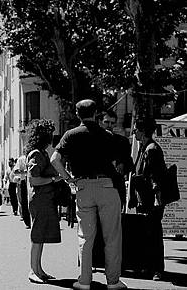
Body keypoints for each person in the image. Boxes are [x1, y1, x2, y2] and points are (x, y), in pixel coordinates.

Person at [50, 99, 126, 290]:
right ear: (96, 113)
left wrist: (68, 178)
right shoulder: (107, 135)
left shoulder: (70, 135)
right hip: (107, 187)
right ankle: (113, 281)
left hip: (83, 186)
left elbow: (55, 159)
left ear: (77, 114)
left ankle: (84, 280)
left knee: (85, 236)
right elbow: (119, 164)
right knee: (112, 237)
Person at [128, 117, 166, 281]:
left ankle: (157, 269)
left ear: (143, 130)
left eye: (136, 129)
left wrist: (157, 199)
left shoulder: (151, 149)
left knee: (154, 234)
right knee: (147, 233)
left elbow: (155, 176)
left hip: (151, 200)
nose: (134, 131)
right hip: (145, 198)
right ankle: (149, 267)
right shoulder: (145, 147)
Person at [25, 119, 62, 283]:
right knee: (37, 235)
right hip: (39, 198)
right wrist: (55, 180)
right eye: (50, 134)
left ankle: (39, 270)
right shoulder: (36, 154)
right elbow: (34, 180)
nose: (52, 136)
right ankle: (33, 270)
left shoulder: (41, 152)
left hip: (43, 199)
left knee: (40, 235)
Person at [99, 110, 133, 207]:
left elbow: (129, 164)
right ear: (100, 122)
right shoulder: (93, 141)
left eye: (112, 123)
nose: (109, 125)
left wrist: (122, 164)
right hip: (98, 185)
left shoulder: (122, 141)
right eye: (106, 122)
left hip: (116, 186)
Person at [14, 155, 31, 228]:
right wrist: (25, 171)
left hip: (34, 181)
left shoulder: (36, 156)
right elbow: (15, 171)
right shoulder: (21, 159)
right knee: (24, 202)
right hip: (24, 181)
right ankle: (27, 222)